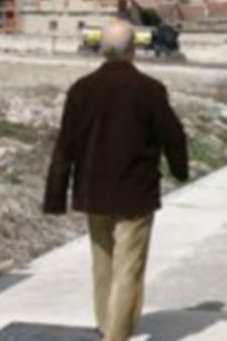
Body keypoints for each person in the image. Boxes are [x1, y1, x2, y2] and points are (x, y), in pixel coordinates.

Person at [43, 20, 188, 341]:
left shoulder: (82, 88)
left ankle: (107, 325)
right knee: (129, 268)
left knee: (103, 264)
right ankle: (116, 335)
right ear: (133, 50)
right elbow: (173, 135)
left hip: (93, 191)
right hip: (135, 193)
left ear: (101, 49)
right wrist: (180, 171)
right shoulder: (149, 89)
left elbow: (65, 145)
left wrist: (56, 195)